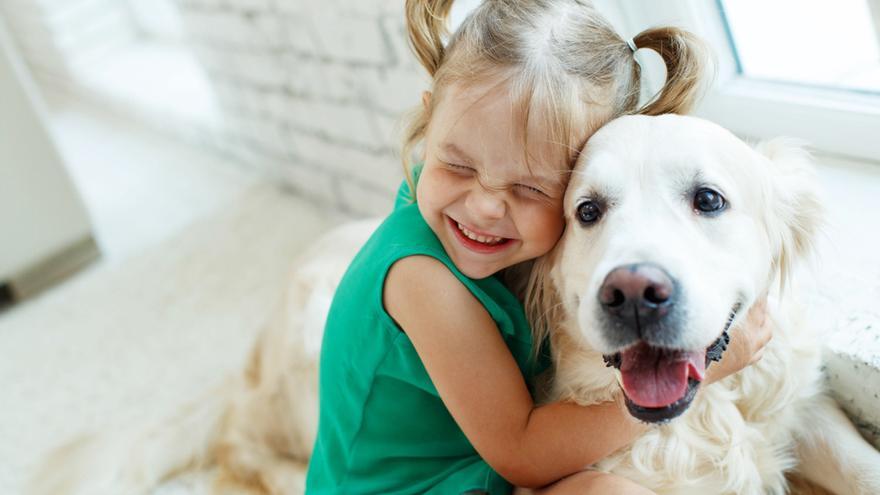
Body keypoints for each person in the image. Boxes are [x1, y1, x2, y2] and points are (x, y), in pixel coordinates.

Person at [305, 1, 771, 493]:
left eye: (529, 188)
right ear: (429, 124)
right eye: (458, 166)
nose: (484, 206)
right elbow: (522, 454)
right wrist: (710, 368)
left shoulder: (483, 217)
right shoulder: (422, 281)